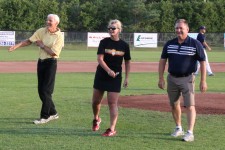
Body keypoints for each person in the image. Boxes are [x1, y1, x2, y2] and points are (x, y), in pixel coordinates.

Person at [8, 14, 63, 125]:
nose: (47, 22)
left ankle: (45, 116)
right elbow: (29, 41)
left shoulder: (59, 36)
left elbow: (54, 53)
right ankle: (53, 112)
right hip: (41, 62)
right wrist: (16, 46)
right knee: (41, 91)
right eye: (47, 19)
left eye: (50, 20)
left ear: (56, 23)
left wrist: (42, 45)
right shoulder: (41, 31)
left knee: (46, 91)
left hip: (51, 63)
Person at [158, 19, 207, 142]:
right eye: (176, 28)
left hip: (188, 78)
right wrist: (161, 78)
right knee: (174, 104)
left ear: (187, 29)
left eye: (181, 28)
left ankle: (190, 132)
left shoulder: (195, 44)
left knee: (190, 105)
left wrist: (203, 81)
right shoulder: (169, 44)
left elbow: (203, 62)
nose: (178, 30)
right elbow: (163, 61)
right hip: (172, 78)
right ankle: (178, 128)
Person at [91, 19, 131, 137]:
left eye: (113, 28)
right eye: (109, 28)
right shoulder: (104, 42)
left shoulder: (124, 45)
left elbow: (127, 62)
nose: (111, 30)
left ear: (119, 30)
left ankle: (112, 129)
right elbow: (100, 59)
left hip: (115, 77)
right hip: (102, 75)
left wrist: (127, 78)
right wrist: (108, 70)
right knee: (95, 102)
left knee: (112, 103)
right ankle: (96, 118)